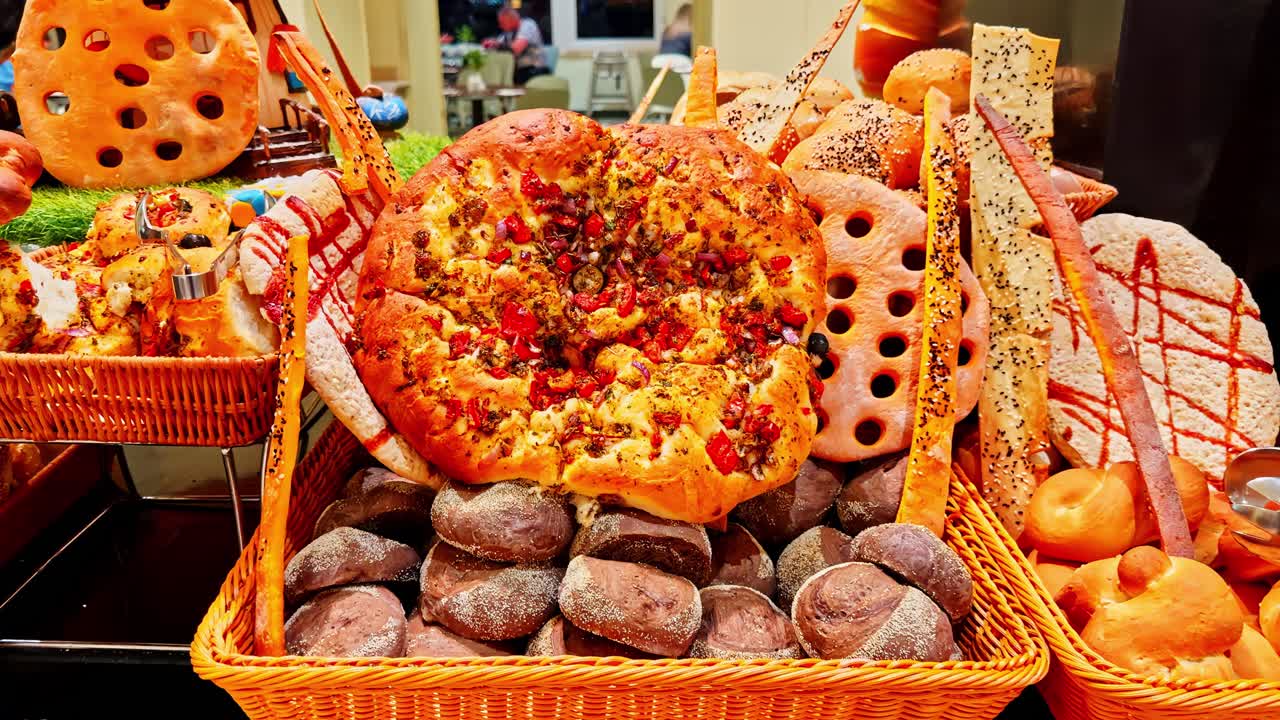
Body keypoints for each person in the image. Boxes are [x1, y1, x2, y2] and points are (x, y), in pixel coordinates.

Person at [484, 6, 550, 85]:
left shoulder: (528, 25)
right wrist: (490, 44)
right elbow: (493, 46)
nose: (500, 26)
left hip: (535, 69)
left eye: (502, 23)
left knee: (507, 75)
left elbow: (516, 49)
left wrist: (498, 45)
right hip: (519, 69)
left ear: (511, 19)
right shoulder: (509, 32)